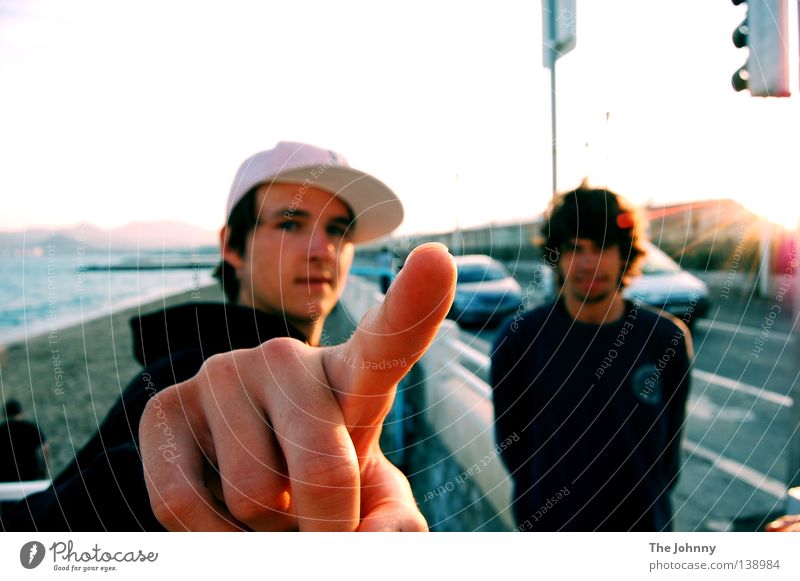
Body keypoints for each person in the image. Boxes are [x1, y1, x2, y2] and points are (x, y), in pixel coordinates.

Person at [3, 141, 456, 532]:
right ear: (231, 246)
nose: (322, 250)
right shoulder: (187, 379)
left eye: (337, 230)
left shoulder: (321, 381)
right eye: (290, 224)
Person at [491, 185, 692, 532]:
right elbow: (513, 444)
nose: (588, 263)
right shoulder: (519, 339)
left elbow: (669, 451)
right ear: (557, 256)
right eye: (575, 248)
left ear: (625, 254)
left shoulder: (665, 339)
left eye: (603, 248)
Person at [0, 400, 49, 482]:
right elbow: (45, 449)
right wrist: (45, 468)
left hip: (5, 474)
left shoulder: (1, 429)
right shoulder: (31, 428)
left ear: (4, 414)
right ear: (21, 412)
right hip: (30, 473)